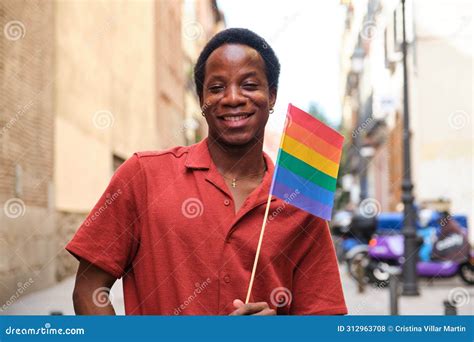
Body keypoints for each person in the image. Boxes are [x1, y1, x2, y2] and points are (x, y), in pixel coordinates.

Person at [67, 28, 347, 315]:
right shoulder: (143, 175)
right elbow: (89, 290)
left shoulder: (300, 198)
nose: (233, 98)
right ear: (202, 100)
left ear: (272, 96)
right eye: (216, 88)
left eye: (249, 85)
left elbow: (325, 318)